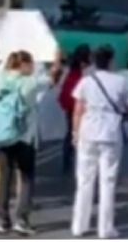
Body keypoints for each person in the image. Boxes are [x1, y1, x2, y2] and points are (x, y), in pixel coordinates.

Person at [0, 50, 61, 236]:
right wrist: (56, 63)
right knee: (27, 177)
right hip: (25, 137)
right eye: (30, 64)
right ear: (23, 65)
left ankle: (3, 220)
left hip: (4, 134)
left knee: (5, 177)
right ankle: (22, 219)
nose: (32, 68)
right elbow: (52, 80)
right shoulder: (29, 82)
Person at [70, 45, 128, 239]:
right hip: (111, 132)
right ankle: (105, 229)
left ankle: (79, 225)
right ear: (110, 61)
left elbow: (78, 110)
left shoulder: (86, 81)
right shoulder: (121, 81)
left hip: (87, 131)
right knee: (108, 181)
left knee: (84, 180)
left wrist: (75, 133)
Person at [58, 44, 92, 175]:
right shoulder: (89, 71)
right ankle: (82, 161)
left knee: (71, 133)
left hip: (70, 106)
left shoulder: (69, 69)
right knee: (85, 135)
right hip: (85, 106)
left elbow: (62, 85)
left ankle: (67, 161)